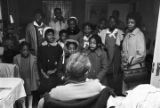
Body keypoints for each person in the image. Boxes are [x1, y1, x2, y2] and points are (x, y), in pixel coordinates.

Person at [38, 52, 106, 108]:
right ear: (87, 72)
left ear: (67, 71)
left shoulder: (55, 93)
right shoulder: (98, 88)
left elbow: (41, 103)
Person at [121, 12, 146, 94]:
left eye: (132, 22)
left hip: (135, 67)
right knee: (126, 92)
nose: (129, 24)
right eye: (128, 22)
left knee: (134, 92)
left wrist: (129, 61)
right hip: (126, 67)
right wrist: (124, 61)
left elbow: (142, 55)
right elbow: (123, 50)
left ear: (136, 23)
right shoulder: (127, 34)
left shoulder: (139, 35)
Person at [38, 27, 63, 95]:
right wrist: (43, 73)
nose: (51, 36)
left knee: (53, 92)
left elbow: (60, 60)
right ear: (45, 36)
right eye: (49, 34)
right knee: (45, 92)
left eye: (52, 34)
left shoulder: (58, 47)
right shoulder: (41, 47)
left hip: (54, 73)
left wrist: (54, 70)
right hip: (44, 74)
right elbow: (39, 61)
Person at [13, 41, 39, 108]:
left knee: (30, 93)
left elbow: (36, 70)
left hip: (30, 77)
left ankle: (30, 105)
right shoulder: (16, 58)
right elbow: (15, 69)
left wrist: (37, 79)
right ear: (20, 50)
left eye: (27, 50)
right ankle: (23, 106)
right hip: (21, 78)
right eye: (23, 50)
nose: (25, 52)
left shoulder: (33, 58)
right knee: (22, 93)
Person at [104, 16, 124, 94]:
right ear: (108, 22)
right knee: (106, 72)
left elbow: (122, 45)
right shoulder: (103, 32)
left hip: (116, 54)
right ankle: (106, 90)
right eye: (110, 21)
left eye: (114, 22)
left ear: (116, 23)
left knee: (115, 72)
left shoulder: (120, 32)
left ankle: (115, 91)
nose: (112, 23)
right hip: (106, 54)